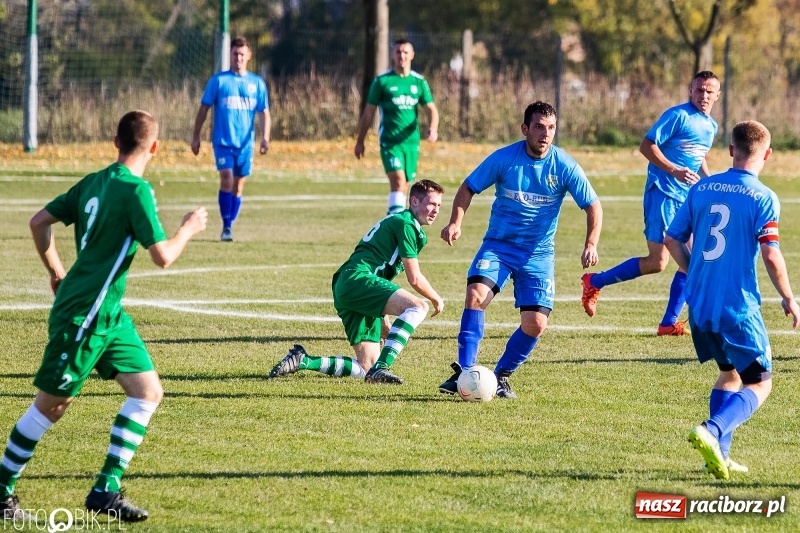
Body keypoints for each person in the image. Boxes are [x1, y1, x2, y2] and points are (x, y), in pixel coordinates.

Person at [0, 111, 208, 522]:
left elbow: (39, 222)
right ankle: (1, 491)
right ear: (155, 147)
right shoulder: (136, 191)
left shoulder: (94, 181)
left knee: (147, 391)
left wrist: (56, 271)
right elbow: (163, 256)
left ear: (115, 142)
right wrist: (188, 228)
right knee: (51, 406)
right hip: (84, 314)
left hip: (108, 314)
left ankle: (105, 490)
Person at [438, 101, 602, 399]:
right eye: (539, 127)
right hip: (499, 248)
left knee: (536, 324)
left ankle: (501, 376)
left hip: (538, 255)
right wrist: (455, 222)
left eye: (551, 128)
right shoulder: (504, 159)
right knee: (476, 296)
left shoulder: (564, 165)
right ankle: (465, 371)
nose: (545, 134)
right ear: (525, 128)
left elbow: (593, 205)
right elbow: (468, 187)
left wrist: (591, 243)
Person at [664, 120, 799, 480]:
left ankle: (719, 456)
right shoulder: (763, 197)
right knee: (761, 381)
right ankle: (712, 429)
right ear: (767, 154)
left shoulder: (702, 188)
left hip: (699, 304)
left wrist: (695, 273)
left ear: (730, 150)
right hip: (737, 307)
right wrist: (788, 297)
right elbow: (771, 253)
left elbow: (672, 239)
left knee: (729, 374)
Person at [581, 71, 721, 335]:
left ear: (717, 95)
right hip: (663, 194)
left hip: (685, 199)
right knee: (665, 262)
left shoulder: (711, 126)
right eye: (699, 90)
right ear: (690, 90)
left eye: (709, 91)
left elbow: (698, 155)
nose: (703, 95)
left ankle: (667, 323)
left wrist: (708, 182)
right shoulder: (678, 116)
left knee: (688, 261)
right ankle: (594, 281)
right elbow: (646, 145)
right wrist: (673, 170)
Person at [268, 179, 445, 384]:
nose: (436, 210)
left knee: (366, 367)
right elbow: (414, 278)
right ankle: (382, 368)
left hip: (349, 283)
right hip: (359, 279)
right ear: (414, 201)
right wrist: (436, 299)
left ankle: (303, 360)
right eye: (431, 204)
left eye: (439, 205)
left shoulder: (401, 222)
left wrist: (383, 319)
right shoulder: (406, 224)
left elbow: (381, 275)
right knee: (418, 307)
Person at [191, 35, 270, 242]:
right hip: (223, 142)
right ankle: (226, 226)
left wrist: (265, 138)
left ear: (249, 55)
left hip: (245, 145)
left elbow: (264, 112)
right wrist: (196, 136)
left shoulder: (257, 83)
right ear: (230, 55)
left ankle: (230, 223)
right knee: (226, 179)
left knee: (238, 186)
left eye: (242, 54)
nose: (238, 58)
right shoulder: (219, 81)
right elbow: (204, 109)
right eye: (235, 54)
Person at [354, 39, 439, 215]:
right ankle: (395, 224)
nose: (402, 55)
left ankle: (392, 219)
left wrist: (433, 128)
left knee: (404, 185)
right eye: (398, 52)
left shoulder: (418, 82)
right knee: (398, 181)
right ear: (392, 55)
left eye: (406, 52)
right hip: (390, 142)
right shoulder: (382, 81)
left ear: (412, 55)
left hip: (411, 143)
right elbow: (368, 113)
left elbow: (431, 109)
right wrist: (360, 140)